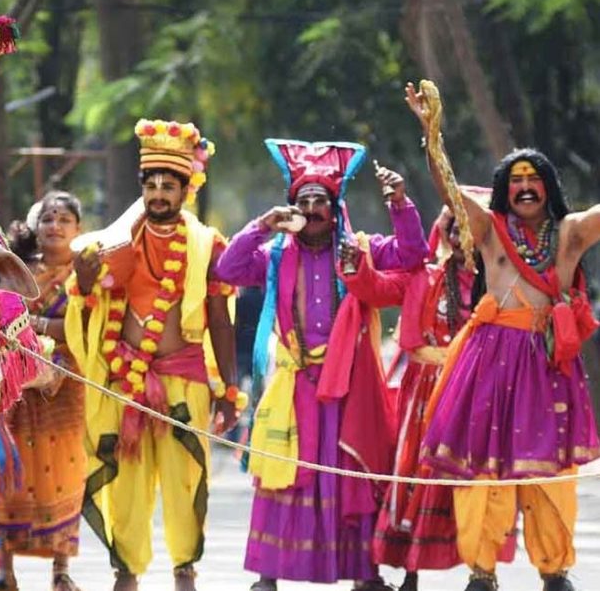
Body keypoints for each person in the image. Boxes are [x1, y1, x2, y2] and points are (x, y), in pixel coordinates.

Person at [406, 81, 600, 591]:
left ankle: (554, 570)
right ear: (503, 189)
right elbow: (449, 189)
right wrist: (431, 134)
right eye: (516, 181)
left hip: (547, 363)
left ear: (549, 186)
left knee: (549, 472)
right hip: (490, 360)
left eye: (534, 179)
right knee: (481, 472)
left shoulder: (570, 234)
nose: (526, 188)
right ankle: (481, 570)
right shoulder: (489, 230)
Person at [215, 139, 428, 591]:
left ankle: (365, 576)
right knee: (285, 473)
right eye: (303, 202)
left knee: (353, 474)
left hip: (349, 386)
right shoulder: (274, 256)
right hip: (295, 386)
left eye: (320, 201)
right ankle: (267, 577)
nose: (311, 209)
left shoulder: (360, 250)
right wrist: (262, 225)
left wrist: (400, 204)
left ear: (335, 209)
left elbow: (414, 256)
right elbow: (228, 270)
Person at [65, 119, 239, 591]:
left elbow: (220, 320)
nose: (159, 194)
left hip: (184, 378)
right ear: (142, 188)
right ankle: (127, 570)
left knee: (187, 480)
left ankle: (185, 568)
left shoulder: (207, 245)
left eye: (168, 186)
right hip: (126, 380)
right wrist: (85, 282)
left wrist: (230, 391)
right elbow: (89, 305)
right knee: (127, 483)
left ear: (186, 190)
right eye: (152, 185)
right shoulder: (113, 244)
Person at [340, 201, 514, 591]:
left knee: (478, 479)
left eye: (469, 227)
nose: (460, 235)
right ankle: (411, 573)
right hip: (426, 391)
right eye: (453, 226)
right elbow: (377, 289)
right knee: (416, 476)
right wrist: (356, 265)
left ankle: (482, 572)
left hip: (477, 390)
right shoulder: (425, 276)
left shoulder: (501, 282)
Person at [0, 191, 87, 591]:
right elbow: (0, 316)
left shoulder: (87, 274)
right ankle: (4, 571)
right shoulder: (17, 271)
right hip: (17, 382)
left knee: (66, 473)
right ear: (35, 225)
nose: (55, 226)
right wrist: (38, 333)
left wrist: (36, 326)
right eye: (48, 218)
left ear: (78, 228)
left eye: (64, 219)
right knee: (10, 471)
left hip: (67, 384)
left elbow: (87, 327)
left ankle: (61, 571)